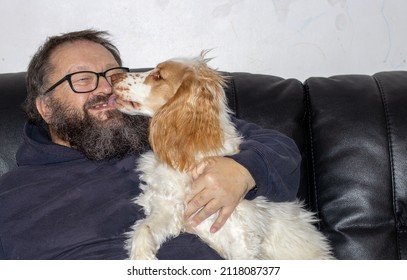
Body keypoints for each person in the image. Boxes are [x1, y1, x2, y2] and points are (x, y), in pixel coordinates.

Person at [0, 29, 301, 260]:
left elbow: (278, 146)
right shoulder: (11, 195)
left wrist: (243, 170)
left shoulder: (165, 130)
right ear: (46, 108)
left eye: (112, 74)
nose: (106, 88)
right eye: (82, 79)